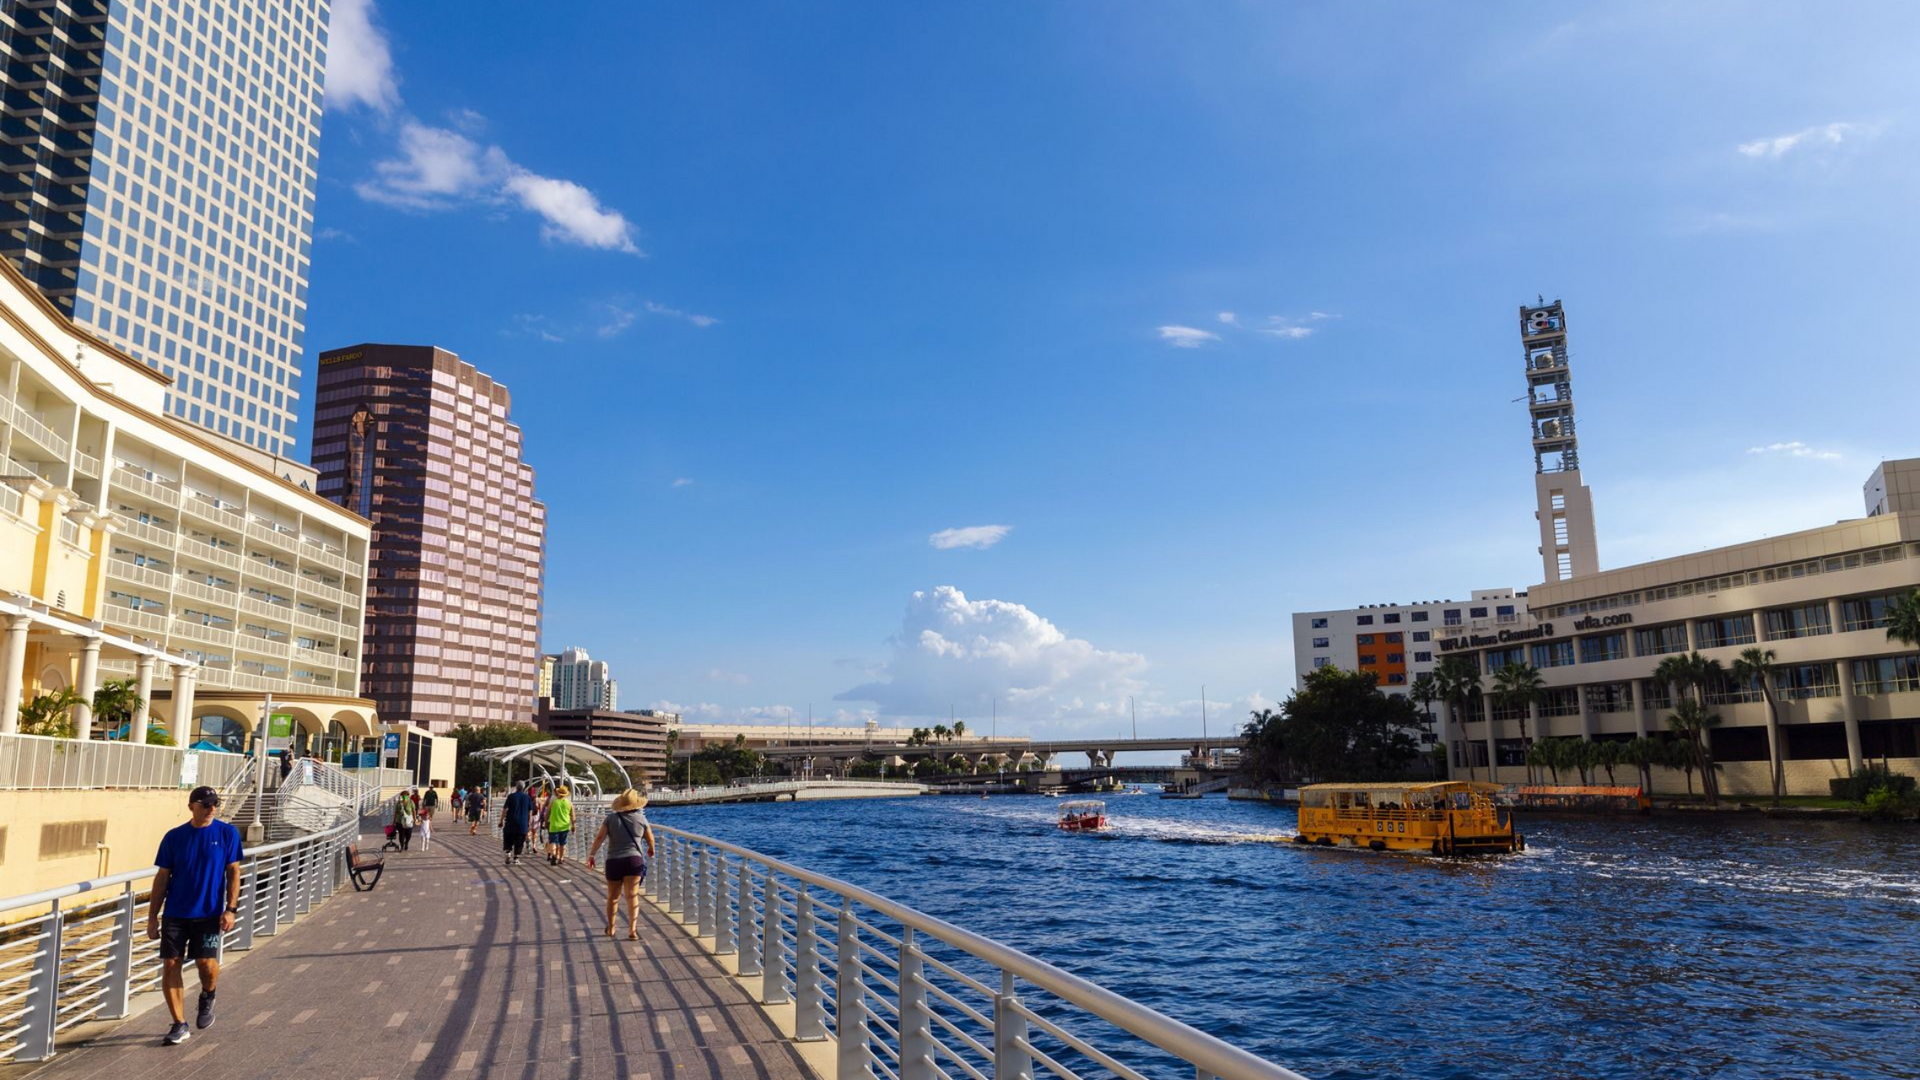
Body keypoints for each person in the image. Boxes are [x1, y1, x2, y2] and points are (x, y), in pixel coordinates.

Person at [148, 786, 243, 1046]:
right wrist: (152, 916)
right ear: (192, 806)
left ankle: (208, 994)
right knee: (170, 963)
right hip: (176, 913)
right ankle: (179, 1024)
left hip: (209, 913)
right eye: (206, 804)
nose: (212, 809)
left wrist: (231, 909)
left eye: (215, 804)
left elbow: (233, 873)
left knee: (205, 963)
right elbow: (162, 877)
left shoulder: (227, 833)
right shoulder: (174, 837)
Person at [586, 788, 655, 939]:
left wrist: (591, 855)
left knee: (613, 897)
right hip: (634, 860)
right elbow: (650, 839)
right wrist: (651, 849)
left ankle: (611, 929)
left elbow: (599, 838)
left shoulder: (610, 819)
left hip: (614, 861)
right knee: (632, 895)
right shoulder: (641, 819)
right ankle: (632, 930)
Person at [501, 781, 534, 867]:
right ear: (523, 787)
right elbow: (530, 812)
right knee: (520, 840)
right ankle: (516, 858)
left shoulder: (511, 796)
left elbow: (505, 809)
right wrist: (529, 823)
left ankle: (508, 852)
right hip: (522, 823)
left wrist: (501, 820)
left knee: (508, 837)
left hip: (510, 821)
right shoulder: (527, 798)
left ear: (516, 787)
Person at [545, 785, 574, 866]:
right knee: (562, 843)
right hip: (564, 826)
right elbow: (572, 815)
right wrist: (573, 825)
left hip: (554, 826)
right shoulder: (569, 803)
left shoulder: (553, 802)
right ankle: (561, 858)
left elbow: (547, 814)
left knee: (553, 842)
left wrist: (545, 822)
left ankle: (554, 855)